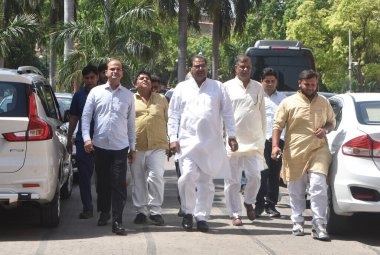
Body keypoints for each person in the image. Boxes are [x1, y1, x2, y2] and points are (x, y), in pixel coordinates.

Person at [168, 54, 238, 232]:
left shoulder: (217, 87)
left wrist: (232, 135)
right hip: (187, 142)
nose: (200, 69)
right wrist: (173, 138)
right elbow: (173, 115)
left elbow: (228, 113)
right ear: (190, 68)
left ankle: (201, 217)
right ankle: (187, 212)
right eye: (196, 66)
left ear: (207, 68)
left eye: (203, 66)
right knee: (187, 177)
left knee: (206, 183)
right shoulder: (182, 88)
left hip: (211, 143)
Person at [271, 69, 335, 241]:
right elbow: (277, 125)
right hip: (294, 151)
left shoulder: (324, 102)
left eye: (313, 85)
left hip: (318, 149)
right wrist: (275, 146)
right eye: (307, 84)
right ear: (300, 83)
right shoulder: (288, 102)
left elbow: (331, 122)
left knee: (318, 186)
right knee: (296, 189)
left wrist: (325, 129)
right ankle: (298, 221)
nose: (310, 87)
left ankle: (319, 223)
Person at [82, 59, 136, 236]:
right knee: (103, 184)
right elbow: (86, 117)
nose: (115, 72)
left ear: (122, 73)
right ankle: (104, 212)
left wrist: (132, 147)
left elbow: (131, 124)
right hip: (100, 146)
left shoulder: (128, 95)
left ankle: (117, 221)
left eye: (118, 69)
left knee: (119, 185)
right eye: (112, 69)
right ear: (105, 73)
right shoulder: (96, 93)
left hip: (120, 147)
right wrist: (86, 139)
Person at [223, 55, 266, 226]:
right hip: (233, 141)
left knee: (255, 176)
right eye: (242, 66)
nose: (245, 69)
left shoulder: (258, 87)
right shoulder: (226, 87)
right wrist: (225, 136)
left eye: (248, 66)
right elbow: (223, 114)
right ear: (236, 68)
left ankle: (249, 201)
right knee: (232, 181)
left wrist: (263, 138)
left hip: (254, 140)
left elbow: (262, 114)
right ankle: (235, 213)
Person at [130, 71, 168, 226]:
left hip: (157, 145)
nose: (145, 79)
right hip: (136, 146)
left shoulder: (162, 99)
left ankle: (155, 211)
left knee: (156, 176)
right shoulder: (130, 100)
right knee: (138, 179)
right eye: (141, 78)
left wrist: (172, 140)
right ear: (135, 83)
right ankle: (141, 211)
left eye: (147, 78)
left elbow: (169, 120)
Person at [66, 64, 99, 219]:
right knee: (84, 176)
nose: (89, 80)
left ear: (97, 77)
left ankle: (104, 206)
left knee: (103, 175)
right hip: (82, 141)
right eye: (87, 78)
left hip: (103, 141)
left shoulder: (105, 94)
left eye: (92, 77)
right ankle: (87, 207)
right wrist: (69, 139)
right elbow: (73, 118)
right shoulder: (78, 96)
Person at [255, 67, 287, 218]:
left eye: (272, 81)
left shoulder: (283, 99)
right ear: (261, 81)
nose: (269, 84)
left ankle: (271, 205)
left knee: (274, 174)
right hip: (260, 139)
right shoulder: (256, 96)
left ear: (276, 82)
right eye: (266, 81)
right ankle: (258, 204)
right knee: (261, 173)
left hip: (278, 141)